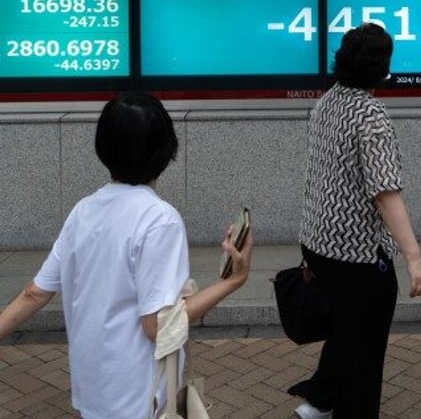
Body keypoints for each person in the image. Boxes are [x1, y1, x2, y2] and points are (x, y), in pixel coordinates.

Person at [0, 92, 254, 419]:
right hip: (139, 395)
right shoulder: (159, 219)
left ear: (103, 146)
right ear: (165, 149)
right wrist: (235, 280)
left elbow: (34, 293)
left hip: (93, 390)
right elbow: (158, 326)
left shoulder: (83, 210)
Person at [288, 23, 421, 419]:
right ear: (383, 68)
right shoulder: (371, 115)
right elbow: (386, 192)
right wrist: (414, 257)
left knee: (345, 328)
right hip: (355, 253)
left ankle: (319, 401)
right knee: (365, 343)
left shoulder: (328, 101)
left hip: (316, 239)